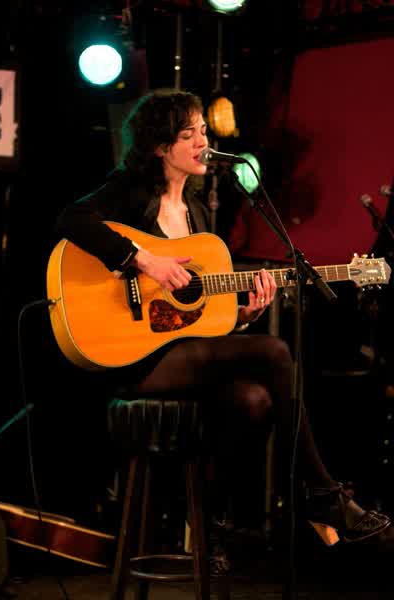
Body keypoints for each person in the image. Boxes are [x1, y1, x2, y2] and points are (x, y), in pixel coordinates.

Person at [54, 89, 391, 572]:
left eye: (203, 131)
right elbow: (70, 219)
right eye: (188, 133)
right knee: (275, 352)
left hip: (180, 354)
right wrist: (143, 259)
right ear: (159, 146)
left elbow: (199, 318)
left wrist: (245, 315)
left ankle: (207, 527)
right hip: (130, 355)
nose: (202, 142)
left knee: (253, 401)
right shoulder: (131, 191)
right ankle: (323, 494)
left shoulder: (199, 217)